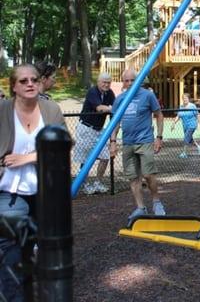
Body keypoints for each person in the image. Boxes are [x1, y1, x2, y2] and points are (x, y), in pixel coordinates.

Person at [0, 64, 66, 299]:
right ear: (14, 87)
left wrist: (26, 158)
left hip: (43, 192)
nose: (30, 84)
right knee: (10, 251)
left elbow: (61, 146)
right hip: (9, 192)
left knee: (32, 248)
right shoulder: (3, 111)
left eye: (34, 80)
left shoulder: (50, 110)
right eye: (23, 81)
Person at [109, 69, 166, 222]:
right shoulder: (120, 99)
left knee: (148, 174)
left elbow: (159, 115)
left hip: (145, 140)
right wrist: (113, 142)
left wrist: (159, 137)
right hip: (128, 143)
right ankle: (141, 207)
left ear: (138, 80)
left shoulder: (147, 95)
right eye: (126, 80)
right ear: (123, 82)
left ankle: (156, 202)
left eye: (132, 80)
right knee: (133, 178)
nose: (129, 83)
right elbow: (114, 123)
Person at [72, 72, 115, 195]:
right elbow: (99, 108)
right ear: (98, 82)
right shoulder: (93, 92)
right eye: (104, 82)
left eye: (108, 82)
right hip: (86, 128)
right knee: (85, 159)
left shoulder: (109, 93)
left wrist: (114, 110)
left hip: (98, 130)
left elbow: (115, 107)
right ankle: (85, 184)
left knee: (105, 156)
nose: (106, 85)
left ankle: (97, 183)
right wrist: (113, 108)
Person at [171, 93, 200, 158]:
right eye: (183, 98)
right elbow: (178, 116)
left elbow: (197, 115)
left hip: (192, 125)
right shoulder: (181, 106)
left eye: (186, 98)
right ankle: (199, 147)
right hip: (185, 126)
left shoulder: (192, 106)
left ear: (188, 99)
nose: (184, 99)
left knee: (186, 138)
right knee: (190, 139)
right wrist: (173, 123)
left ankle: (184, 153)